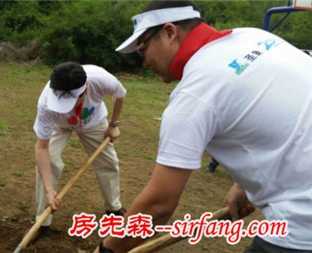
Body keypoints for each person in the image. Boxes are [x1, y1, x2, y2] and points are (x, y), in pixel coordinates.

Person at [96, 0, 311, 252]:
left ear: (169, 32)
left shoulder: (194, 95)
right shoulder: (255, 37)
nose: (144, 61)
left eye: (143, 48)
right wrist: (242, 185)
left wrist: (107, 250)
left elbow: (158, 206)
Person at [32, 62, 127, 240]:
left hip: (93, 122)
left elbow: (120, 96)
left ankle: (113, 208)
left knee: (108, 162)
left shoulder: (101, 79)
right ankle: (42, 221)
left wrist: (113, 124)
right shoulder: (46, 103)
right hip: (60, 126)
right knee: (48, 163)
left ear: (85, 91)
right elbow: (41, 147)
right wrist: (49, 189)